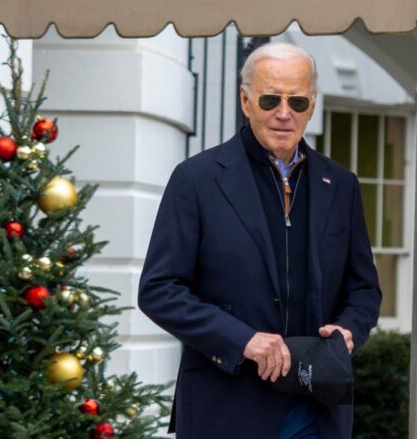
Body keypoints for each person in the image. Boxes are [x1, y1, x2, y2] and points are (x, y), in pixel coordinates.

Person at [138, 41, 382, 439]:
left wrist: (349, 331)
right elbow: (159, 290)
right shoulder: (195, 179)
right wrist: (243, 340)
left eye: (297, 102)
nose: (284, 114)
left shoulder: (341, 185)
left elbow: (364, 289)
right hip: (226, 407)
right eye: (270, 99)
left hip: (317, 411)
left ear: (313, 104)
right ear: (245, 100)